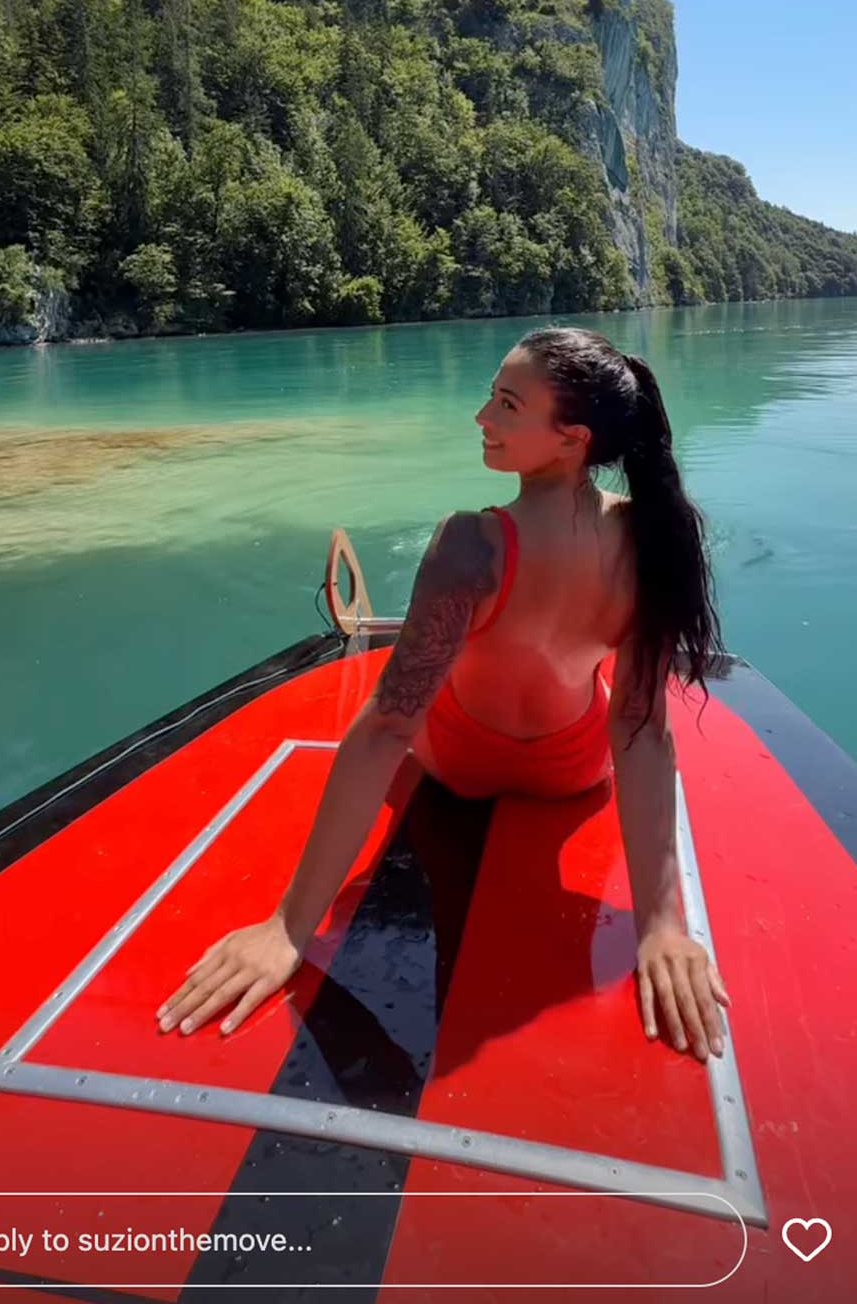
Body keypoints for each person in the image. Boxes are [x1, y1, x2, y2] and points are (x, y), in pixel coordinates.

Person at [156, 326, 731, 1062]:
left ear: (570, 439)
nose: (481, 417)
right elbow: (641, 725)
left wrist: (290, 927)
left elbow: (387, 728)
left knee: (404, 698)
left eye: (506, 404)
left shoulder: (470, 545)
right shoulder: (654, 536)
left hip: (454, 765)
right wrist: (661, 923)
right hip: (573, 771)